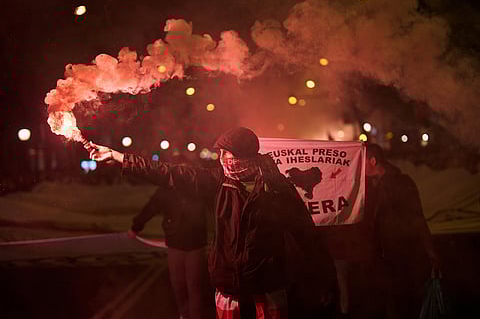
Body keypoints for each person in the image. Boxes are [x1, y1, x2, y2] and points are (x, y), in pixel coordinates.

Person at [86, 127, 332, 319]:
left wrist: (325, 282)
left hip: (267, 286)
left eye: (228, 152)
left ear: (246, 155)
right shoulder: (217, 181)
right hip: (229, 286)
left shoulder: (278, 189)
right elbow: (169, 172)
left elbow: (307, 236)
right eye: (221, 152)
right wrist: (120, 158)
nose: (222, 158)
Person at [364, 143, 441, 319]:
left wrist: (431, 252)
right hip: (389, 256)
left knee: (401, 304)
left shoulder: (399, 184)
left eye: (362, 161)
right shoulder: (374, 186)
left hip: (401, 255)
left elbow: (417, 217)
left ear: (373, 161)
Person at [128, 184, 211, 319]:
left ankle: (194, 316)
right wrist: (136, 227)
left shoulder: (198, 183)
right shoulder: (168, 186)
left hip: (194, 243)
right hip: (176, 242)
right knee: (179, 285)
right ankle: (184, 314)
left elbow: (215, 202)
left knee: (193, 286)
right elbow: (152, 206)